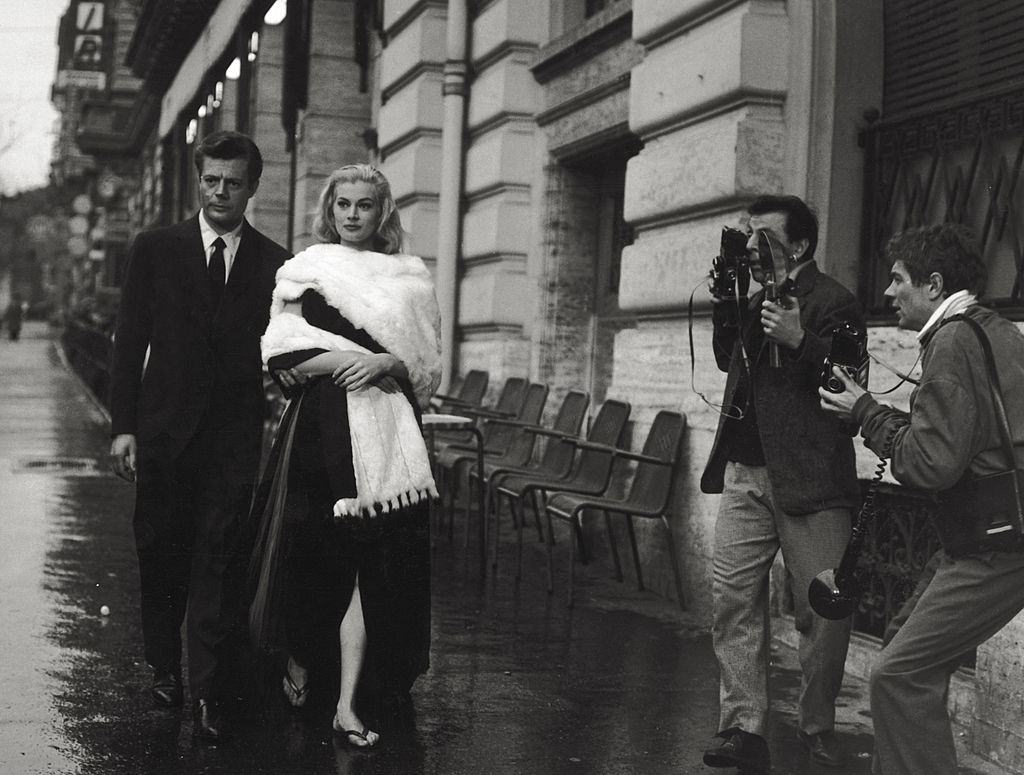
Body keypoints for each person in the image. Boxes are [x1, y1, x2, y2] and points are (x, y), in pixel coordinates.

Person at [820, 223, 1024, 775]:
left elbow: (931, 464)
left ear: (933, 285)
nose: (888, 293)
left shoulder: (955, 340)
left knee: (897, 673)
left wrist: (864, 411)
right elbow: (965, 436)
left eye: (897, 279)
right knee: (900, 644)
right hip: (986, 534)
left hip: (992, 543)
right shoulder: (992, 330)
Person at [250, 163, 441, 749]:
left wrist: (386, 364)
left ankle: (350, 701)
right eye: (343, 205)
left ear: (382, 212)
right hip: (322, 433)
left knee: (376, 567)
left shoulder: (410, 278)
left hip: (389, 434)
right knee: (317, 558)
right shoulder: (307, 271)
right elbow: (281, 353)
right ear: (329, 210)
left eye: (364, 205)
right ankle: (303, 659)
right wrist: (346, 361)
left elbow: (426, 369)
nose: (353, 215)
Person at [108, 131, 290, 741]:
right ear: (198, 180)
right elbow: (129, 342)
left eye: (233, 182)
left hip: (232, 443)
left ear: (252, 187)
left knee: (217, 562)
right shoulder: (156, 249)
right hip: (161, 437)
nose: (220, 192)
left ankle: (211, 692)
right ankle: (165, 670)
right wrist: (123, 428)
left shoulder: (274, 262)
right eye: (211, 180)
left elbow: (287, 349)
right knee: (161, 556)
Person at [700, 195, 863, 772]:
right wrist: (727, 305)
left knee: (821, 612)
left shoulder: (833, 300)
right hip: (746, 474)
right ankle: (743, 728)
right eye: (748, 234)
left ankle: (816, 726)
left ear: (798, 245)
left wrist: (801, 340)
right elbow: (727, 360)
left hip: (812, 481)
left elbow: (851, 382)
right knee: (733, 601)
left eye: (763, 235)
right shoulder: (751, 297)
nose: (751, 244)